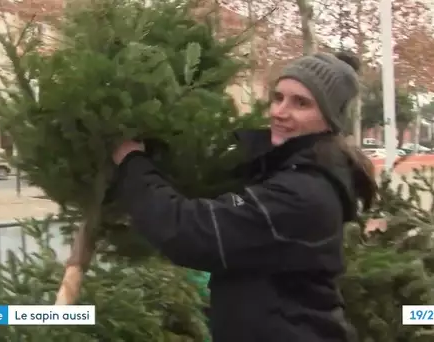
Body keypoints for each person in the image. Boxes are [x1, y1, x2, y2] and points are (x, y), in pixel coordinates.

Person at [111, 52, 377, 342]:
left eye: (301, 103)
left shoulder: (302, 192)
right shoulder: (287, 169)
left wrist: (132, 161)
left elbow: (190, 232)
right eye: (278, 98)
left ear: (330, 120)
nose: (280, 111)